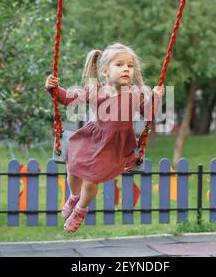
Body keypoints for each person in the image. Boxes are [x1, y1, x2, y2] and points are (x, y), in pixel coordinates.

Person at [45, 42, 164, 233]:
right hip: (92, 138)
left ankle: (80, 210)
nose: (126, 69)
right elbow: (67, 98)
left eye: (130, 66)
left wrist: (156, 98)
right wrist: (53, 88)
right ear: (105, 71)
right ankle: (74, 197)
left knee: (91, 181)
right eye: (120, 65)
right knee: (73, 169)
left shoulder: (135, 94)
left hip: (113, 147)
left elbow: (149, 114)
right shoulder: (96, 91)